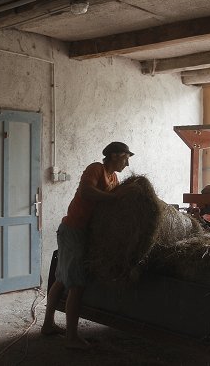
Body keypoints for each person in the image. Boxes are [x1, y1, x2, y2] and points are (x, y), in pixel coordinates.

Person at [41, 141, 134, 348]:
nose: (127, 164)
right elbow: (86, 192)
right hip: (73, 229)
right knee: (76, 284)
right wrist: (114, 197)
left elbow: (112, 203)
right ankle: (72, 338)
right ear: (114, 156)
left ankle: (48, 325)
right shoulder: (96, 169)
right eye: (125, 158)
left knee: (61, 280)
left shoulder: (114, 178)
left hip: (82, 232)